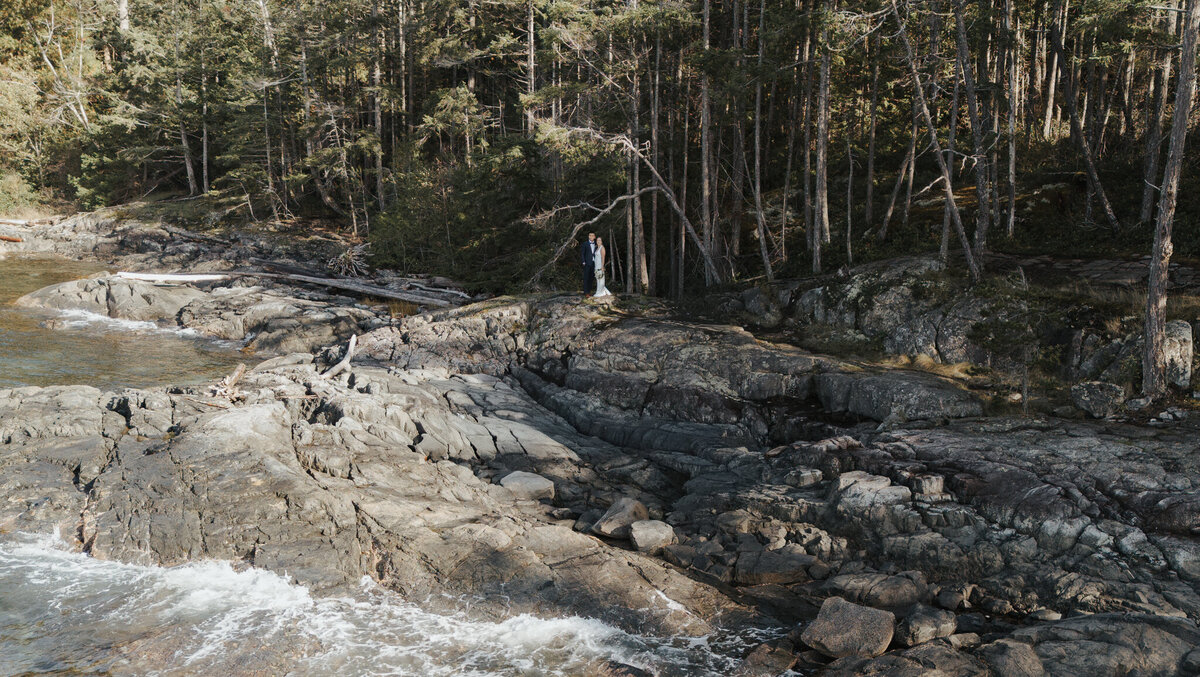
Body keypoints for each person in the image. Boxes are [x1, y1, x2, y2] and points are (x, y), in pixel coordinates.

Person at [580, 232, 597, 296]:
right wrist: (583, 261)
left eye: (593, 235)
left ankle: (589, 291)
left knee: (591, 278)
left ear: (594, 237)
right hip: (587, 263)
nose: (591, 236)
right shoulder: (585, 244)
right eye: (590, 235)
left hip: (594, 263)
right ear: (588, 237)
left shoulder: (596, 244)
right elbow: (582, 253)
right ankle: (586, 292)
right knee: (586, 277)